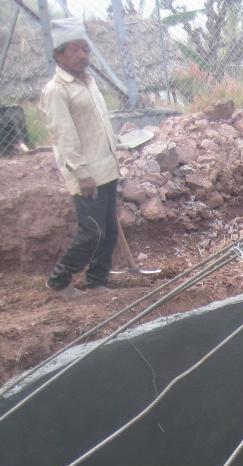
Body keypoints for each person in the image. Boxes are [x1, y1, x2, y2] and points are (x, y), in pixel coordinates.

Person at [41, 18, 121, 297]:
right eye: (74, 50)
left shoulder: (88, 82)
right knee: (93, 232)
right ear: (58, 54)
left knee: (109, 231)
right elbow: (64, 135)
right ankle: (59, 281)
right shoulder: (56, 90)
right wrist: (81, 171)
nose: (82, 55)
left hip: (107, 167)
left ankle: (97, 281)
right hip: (86, 174)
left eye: (85, 49)